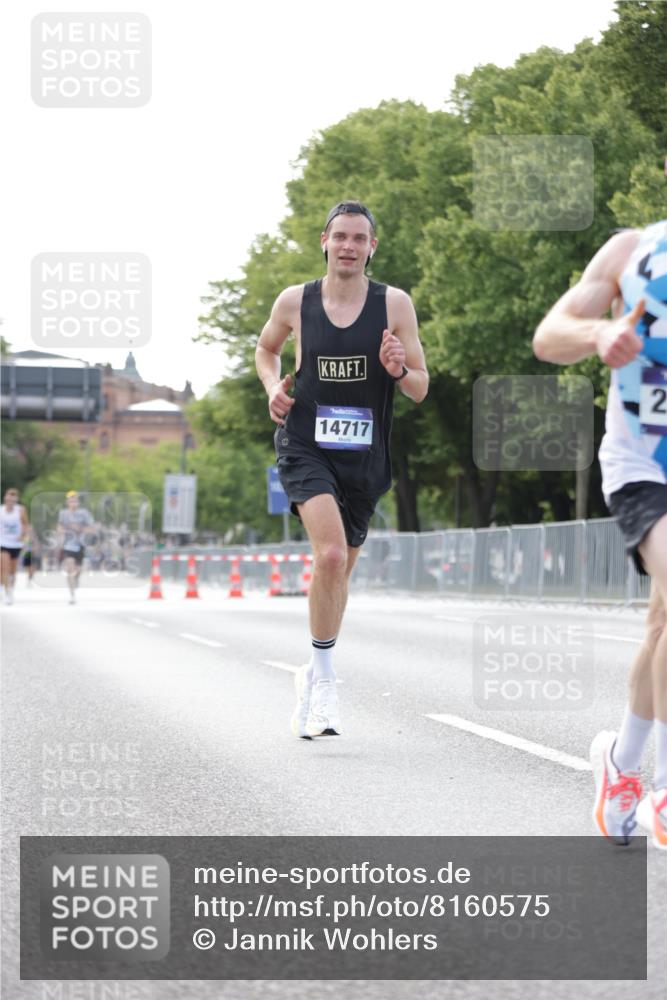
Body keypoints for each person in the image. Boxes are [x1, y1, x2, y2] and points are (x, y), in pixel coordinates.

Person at [256, 201, 429, 739]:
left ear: (372, 247)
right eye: (341, 236)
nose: (349, 246)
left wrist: (399, 369)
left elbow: (420, 388)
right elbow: (266, 351)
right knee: (328, 554)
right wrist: (272, 390)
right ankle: (325, 684)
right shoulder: (295, 301)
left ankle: (313, 669)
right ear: (325, 242)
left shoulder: (393, 304)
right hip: (305, 444)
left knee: (339, 571)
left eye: (360, 238)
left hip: (365, 457)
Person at [533, 218, 667, 849]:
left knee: (661, 625)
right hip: (644, 464)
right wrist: (601, 332)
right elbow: (548, 336)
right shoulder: (632, 250)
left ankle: (623, 765)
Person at [57, 490, 94, 604]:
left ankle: (76, 580)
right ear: (67, 502)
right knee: (70, 569)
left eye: (75, 501)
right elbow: (59, 526)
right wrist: (61, 531)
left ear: (78, 502)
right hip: (68, 545)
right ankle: (72, 595)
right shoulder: (63, 513)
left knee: (78, 570)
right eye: (70, 501)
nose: (73, 503)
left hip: (81, 545)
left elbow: (91, 528)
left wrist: (80, 529)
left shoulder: (84, 513)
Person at [0, 488, 29, 604]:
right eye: (9, 496)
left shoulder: (21, 510)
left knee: (13, 570)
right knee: (4, 567)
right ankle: (6, 592)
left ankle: (11, 590)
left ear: (16, 499)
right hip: (3, 542)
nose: (11, 499)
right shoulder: (1, 511)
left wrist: (23, 536)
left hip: (16, 544)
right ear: (5, 498)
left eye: (13, 497)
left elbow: (26, 524)